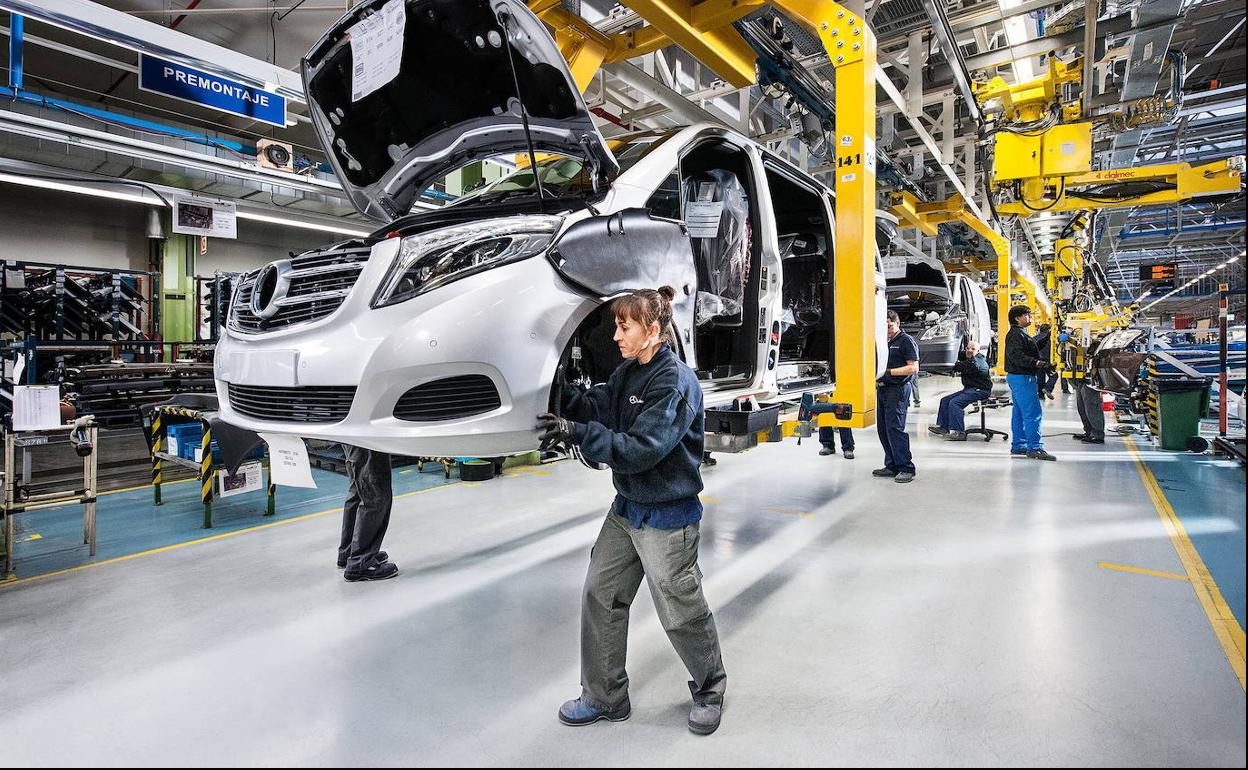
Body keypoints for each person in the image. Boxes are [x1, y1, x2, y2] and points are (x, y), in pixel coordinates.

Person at [537, 286, 727, 736]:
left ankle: (710, 687)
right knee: (600, 594)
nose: (617, 335)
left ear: (653, 331)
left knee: (679, 610)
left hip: (667, 514)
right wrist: (555, 390)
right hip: (627, 508)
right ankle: (605, 697)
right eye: (617, 326)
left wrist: (576, 432)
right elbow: (599, 405)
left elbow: (643, 449)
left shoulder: (674, 382)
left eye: (625, 326)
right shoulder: (628, 373)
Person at [338, 445, 398, 581]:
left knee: (358, 490)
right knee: (374, 491)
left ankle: (349, 553)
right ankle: (361, 561)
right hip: (367, 439)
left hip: (352, 435)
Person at [1004, 306, 1057, 461]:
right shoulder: (1015, 334)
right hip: (1023, 378)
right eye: (1027, 315)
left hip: (1018, 377)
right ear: (1017, 318)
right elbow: (1016, 356)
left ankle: (1019, 445)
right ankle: (1035, 447)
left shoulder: (1020, 333)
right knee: (1033, 413)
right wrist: (1038, 364)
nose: (1030, 317)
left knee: (1019, 413)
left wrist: (1048, 337)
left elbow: (1031, 348)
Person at [873, 310, 920, 483]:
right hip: (883, 388)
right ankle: (891, 464)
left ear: (898, 323)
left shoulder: (905, 341)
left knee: (895, 428)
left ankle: (906, 467)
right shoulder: (882, 341)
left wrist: (888, 372)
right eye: (884, 327)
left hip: (898, 389)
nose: (887, 330)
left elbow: (913, 368)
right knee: (883, 429)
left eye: (890, 326)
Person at [928, 339, 992, 441]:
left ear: (978, 351)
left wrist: (953, 364)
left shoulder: (976, 361)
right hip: (970, 389)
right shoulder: (968, 356)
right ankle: (944, 427)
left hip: (980, 390)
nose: (969, 350)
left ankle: (959, 432)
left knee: (955, 403)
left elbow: (960, 366)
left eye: (973, 349)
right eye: (968, 348)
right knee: (945, 400)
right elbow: (958, 354)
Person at [1034, 324, 1058, 400]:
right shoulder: (1050, 339)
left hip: (1037, 362)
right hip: (1047, 361)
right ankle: (1048, 388)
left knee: (1040, 378)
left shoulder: (1034, 338)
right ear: (1048, 330)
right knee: (1054, 375)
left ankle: (1041, 396)